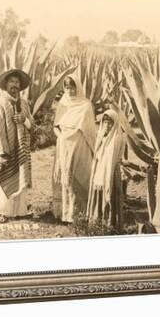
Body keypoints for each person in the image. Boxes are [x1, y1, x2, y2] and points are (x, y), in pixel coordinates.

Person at [0, 68, 34, 223]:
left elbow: (32, 124)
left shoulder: (24, 104)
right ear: (6, 85)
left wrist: (24, 120)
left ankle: (20, 211)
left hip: (22, 148)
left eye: (17, 82)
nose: (15, 85)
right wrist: (2, 151)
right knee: (6, 177)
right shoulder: (0, 104)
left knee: (21, 177)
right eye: (11, 82)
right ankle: (2, 212)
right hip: (6, 149)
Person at [52, 75, 97, 223]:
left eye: (72, 87)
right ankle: (66, 214)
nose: (70, 90)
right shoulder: (63, 104)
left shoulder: (86, 105)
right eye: (67, 87)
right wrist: (60, 137)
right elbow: (56, 126)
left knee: (79, 177)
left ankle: (79, 214)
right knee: (66, 178)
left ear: (77, 87)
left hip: (79, 145)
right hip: (64, 146)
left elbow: (90, 130)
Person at [87, 109, 125, 231]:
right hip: (99, 171)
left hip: (111, 172)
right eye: (105, 122)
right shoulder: (100, 136)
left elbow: (115, 158)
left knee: (111, 197)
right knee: (98, 195)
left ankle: (110, 225)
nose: (107, 125)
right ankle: (97, 223)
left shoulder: (118, 138)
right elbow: (96, 155)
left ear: (115, 124)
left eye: (110, 123)